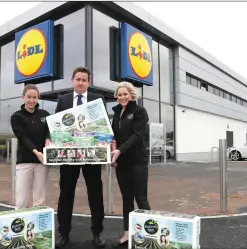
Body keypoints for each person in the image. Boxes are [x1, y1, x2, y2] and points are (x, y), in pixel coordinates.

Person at [55, 66, 106, 248]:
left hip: (91, 156)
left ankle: (98, 232)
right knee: (66, 193)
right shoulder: (63, 100)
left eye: (84, 80)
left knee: (95, 194)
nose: (81, 82)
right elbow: (57, 127)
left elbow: (103, 127)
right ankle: (63, 233)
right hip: (69, 157)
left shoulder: (97, 100)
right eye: (78, 79)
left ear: (88, 82)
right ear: (72, 80)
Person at [109, 81, 151, 248]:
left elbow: (137, 135)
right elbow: (113, 136)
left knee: (141, 198)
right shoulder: (116, 113)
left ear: (132, 95)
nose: (122, 97)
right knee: (127, 199)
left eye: (125, 94)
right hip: (122, 164)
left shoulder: (140, 112)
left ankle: (150, 234)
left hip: (137, 162)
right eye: (119, 95)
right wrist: (114, 152)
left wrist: (120, 150)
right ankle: (127, 233)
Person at [10, 84, 51, 210]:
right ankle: (19, 227)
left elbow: (50, 130)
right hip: (24, 162)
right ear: (23, 97)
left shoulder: (45, 114)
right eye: (29, 97)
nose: (31, 100)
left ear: (38, 98)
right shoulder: (16, 116)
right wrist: (36, 152)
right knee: (21, 199)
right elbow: (22, 137)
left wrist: (48, 138)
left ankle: (38, 228)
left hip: (42, 162)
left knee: (40, 199)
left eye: (35, 97)